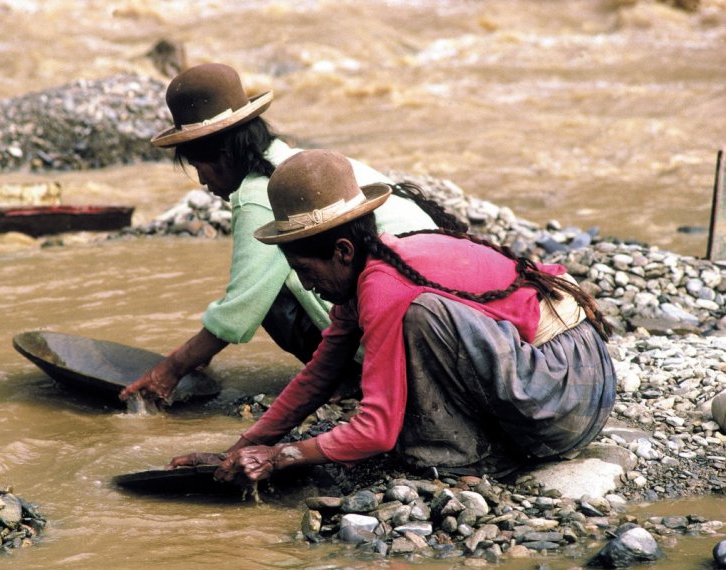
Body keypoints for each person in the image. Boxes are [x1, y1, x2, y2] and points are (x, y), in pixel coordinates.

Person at [170, 149, 617, 480]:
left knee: (421, 315)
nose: (306, 286)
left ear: (342, 251)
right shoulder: (372, 265)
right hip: (572, 384)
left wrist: (285, 455)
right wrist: (244, 446)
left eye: (306, 271)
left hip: (567, 399)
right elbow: (319, 375)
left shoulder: (386, 287)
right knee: (418, 320)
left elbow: (378, 429)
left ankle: (467, 456)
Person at [120, 63, 448, 405]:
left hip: (402, 335)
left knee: (272, 290)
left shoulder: (260, 194)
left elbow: (242, 306)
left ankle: (348, 377)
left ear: (224, 156)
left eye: (200, 169)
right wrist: (201, 352)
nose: (203, 182)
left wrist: (170, 370)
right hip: (432, 323)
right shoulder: (300, 164)